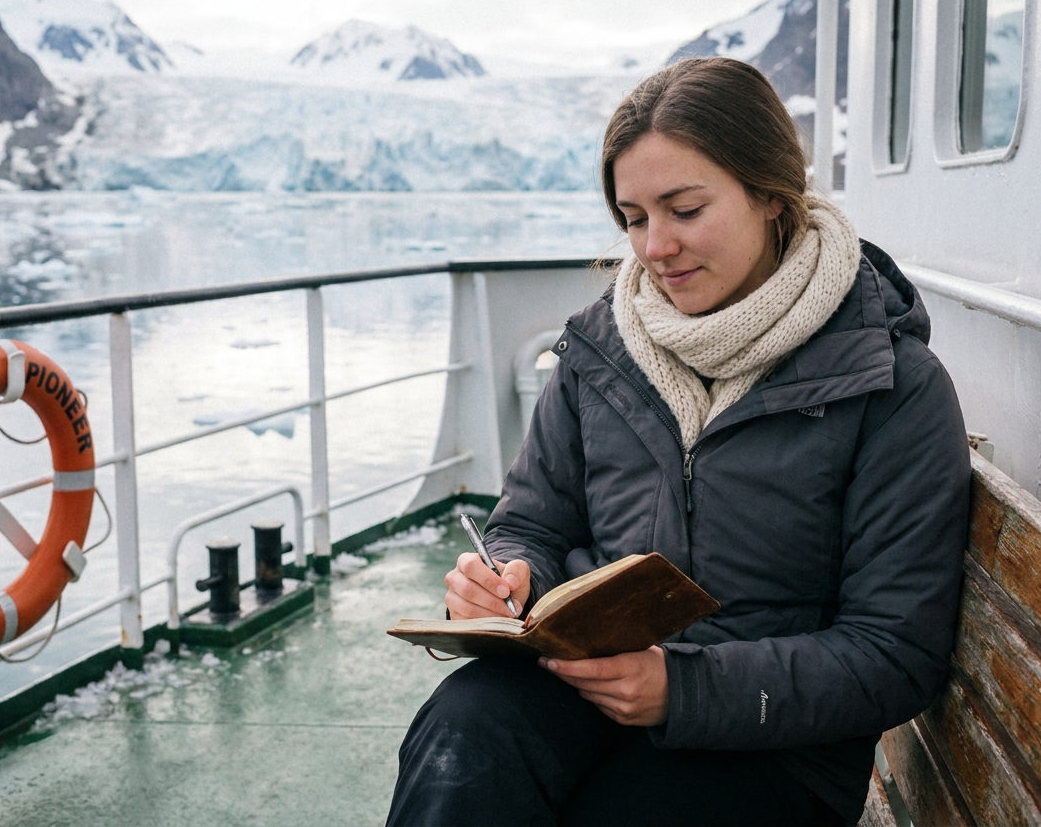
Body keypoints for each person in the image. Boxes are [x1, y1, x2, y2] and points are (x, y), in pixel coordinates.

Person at [386, 57, 970, 827]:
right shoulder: (600, 353)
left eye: (684, 209)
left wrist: (682, 690)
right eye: (633, 218)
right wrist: (508, 578)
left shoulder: (891, 384)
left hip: (771, 746)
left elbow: (895, 652)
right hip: (582, 680)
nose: (655, 247)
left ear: (770, 195)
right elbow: (533, 520)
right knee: (464, 737)